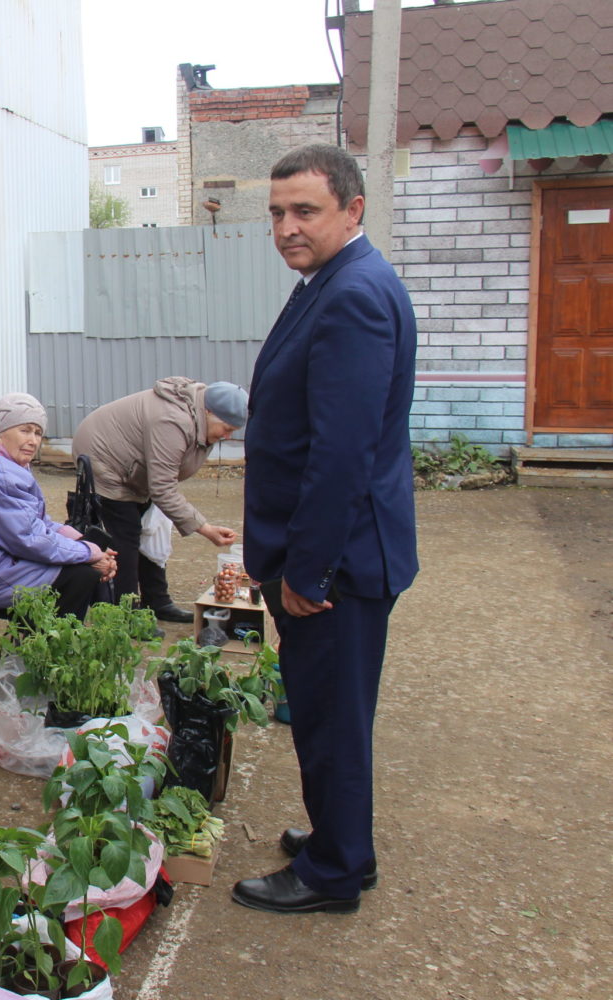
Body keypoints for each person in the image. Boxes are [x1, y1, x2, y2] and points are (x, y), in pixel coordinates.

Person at [232, 143, 417, 915]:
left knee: (331, 718)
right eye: (276, 212)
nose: (286, 227)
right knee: (326, 710)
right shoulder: (331, 281)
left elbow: (342, 451)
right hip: (332, 553)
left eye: (304, 210)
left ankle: (336, 871)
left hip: (334, 563)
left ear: (353, 210)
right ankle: (342, 843)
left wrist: (308, 571)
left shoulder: (353, 295)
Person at [70, 377, 247, 621]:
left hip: (136, 468)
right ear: (208, 412)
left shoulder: (198, 417)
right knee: (126, 534)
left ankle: (157, 601)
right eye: (226, 429)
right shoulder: (173, 421)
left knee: (152, 531)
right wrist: (205, 528)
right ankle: (126, 613)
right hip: (105, 460)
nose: (227, 436)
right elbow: (162, 488)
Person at [0, 392, 115, 619]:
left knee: (92, 547)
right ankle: (49, 645)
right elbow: (29, 540)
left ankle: (76, 634)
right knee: (82, 574)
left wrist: (84, 544)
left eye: (38, 433)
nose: (33, 440)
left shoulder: (12, 464)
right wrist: (90, 554)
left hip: (7, 558)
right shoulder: (2, 474)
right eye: (24, 430)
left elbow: (37, 522)